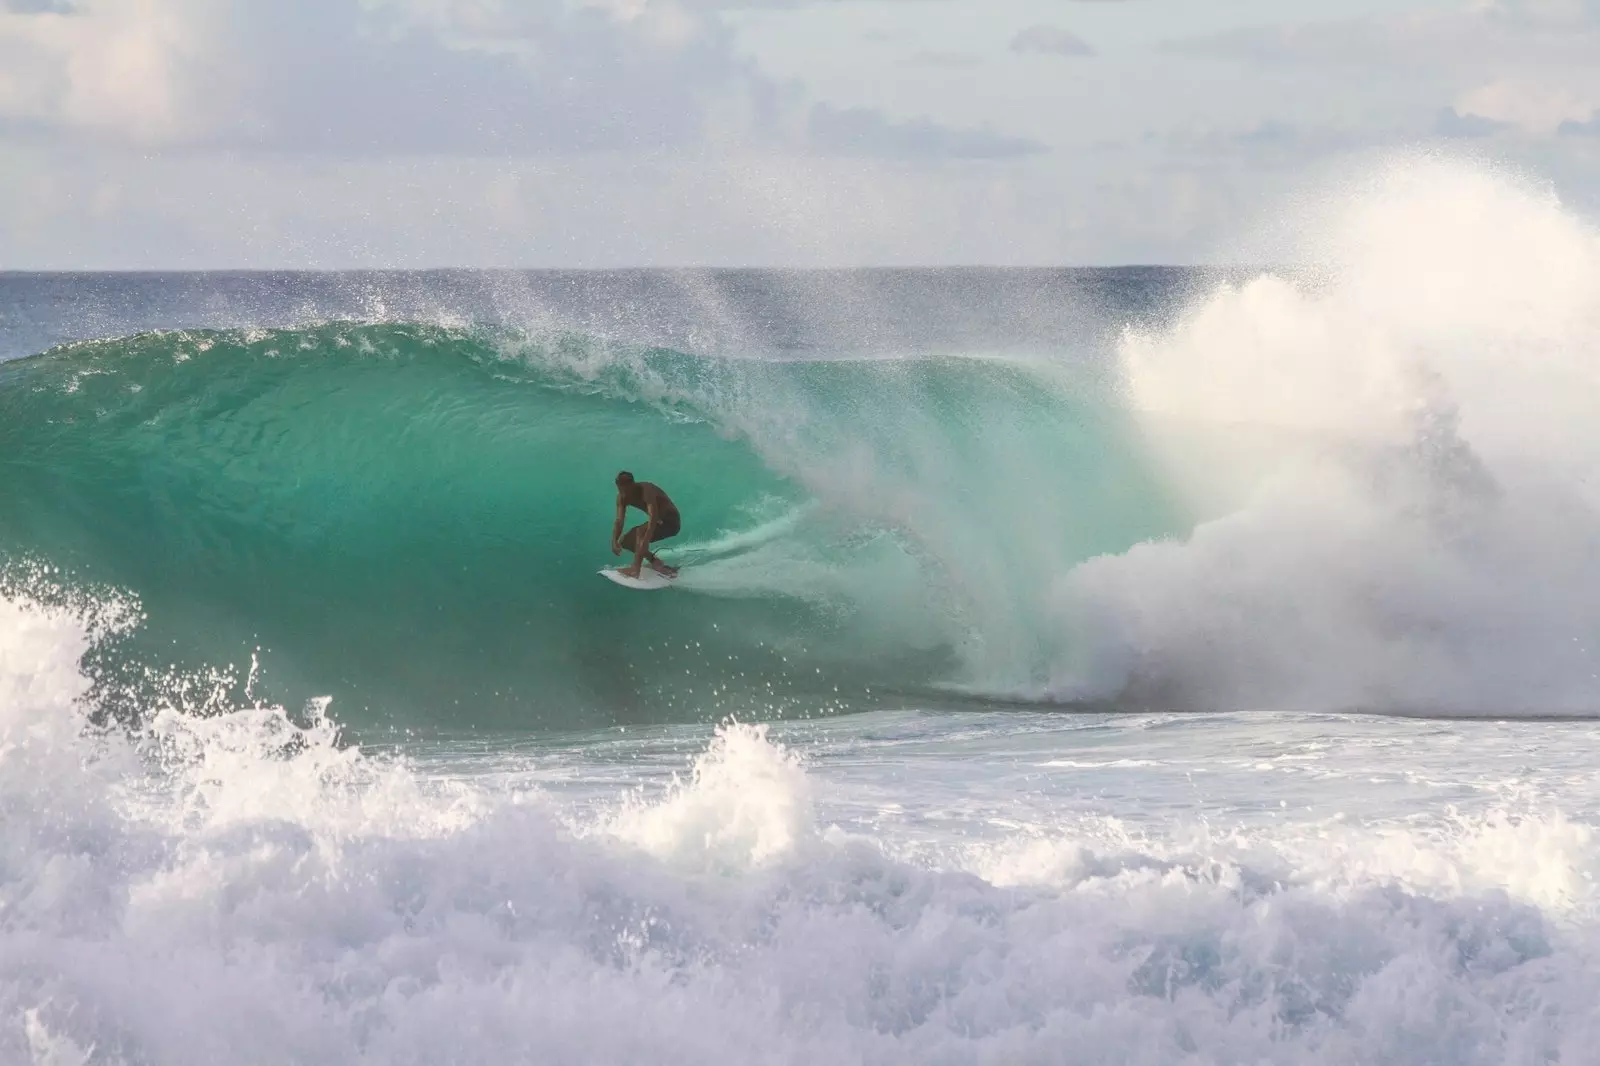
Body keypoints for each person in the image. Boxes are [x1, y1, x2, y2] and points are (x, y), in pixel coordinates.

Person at [611, 471, 680, 578]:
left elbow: (653, 517)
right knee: (626, 541)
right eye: (620, 489)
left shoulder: (646, 490)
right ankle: (656, 562)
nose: (623, 493)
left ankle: (635, 570)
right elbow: (619, 520)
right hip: (659, 521)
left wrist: (645, 540)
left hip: (672, 521)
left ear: (632, 485)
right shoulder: (622, 497)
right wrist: (614, 541)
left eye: (625, 489)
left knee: (640, 532)